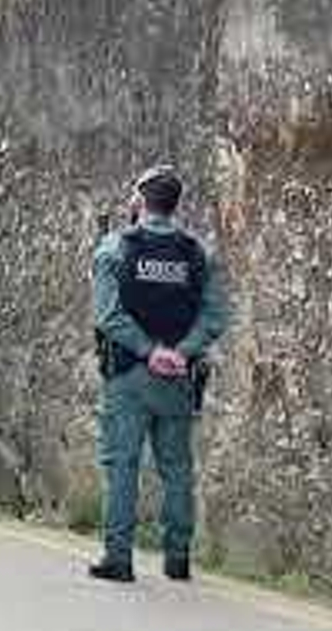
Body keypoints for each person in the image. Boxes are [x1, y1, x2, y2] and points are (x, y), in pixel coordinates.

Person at [89, 165, 230, 583]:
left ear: (139, 200)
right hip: (179, 376)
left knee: (122, 465)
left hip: (129, 373)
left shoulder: (115, 248)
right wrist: (181, 353)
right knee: (177, 467)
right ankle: (178, 557)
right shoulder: (196, 252)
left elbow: (108, 316)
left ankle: (118, 558)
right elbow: (214, 315)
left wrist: (150, 352)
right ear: (176, 204)